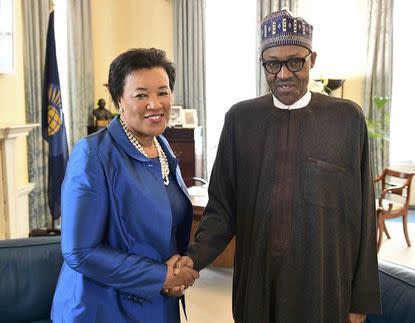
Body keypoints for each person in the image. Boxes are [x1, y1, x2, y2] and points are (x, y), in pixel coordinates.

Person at [171, 9, 381, 323]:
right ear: (263, 63)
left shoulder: (347, 119)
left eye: (295, 61)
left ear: (312, 59)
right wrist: (193, 259)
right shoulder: (240, 120)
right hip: (257, 284)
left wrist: (359, 299)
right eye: (273, 64)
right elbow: (222, 209)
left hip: (323, 286)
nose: (283, 74)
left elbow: (364, 214)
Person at [51, 48, 199, 323]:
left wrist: (177, 268)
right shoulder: (93, 154)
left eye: (163, 92)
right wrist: (162, 276)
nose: (155, 104)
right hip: (103, 308)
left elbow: (166, 226)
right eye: (141, 94)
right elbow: (80, 252)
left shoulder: (162, 145)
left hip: (157, 302)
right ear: (119, 99)